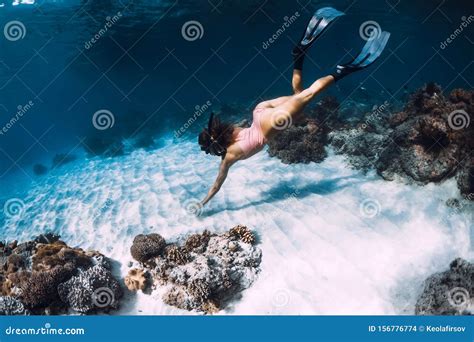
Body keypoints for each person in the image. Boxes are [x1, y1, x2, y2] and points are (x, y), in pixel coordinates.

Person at [198, 7, 390, 207]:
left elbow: (218, 183)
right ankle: (298, 56)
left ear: (215, 145)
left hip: (273, 121)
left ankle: (342, 70)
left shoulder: (228, 156)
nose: (212, 154)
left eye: (210, 151)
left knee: (309, 93)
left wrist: (203, 202)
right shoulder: (230, 132)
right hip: (261, 111)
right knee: (299, 94)